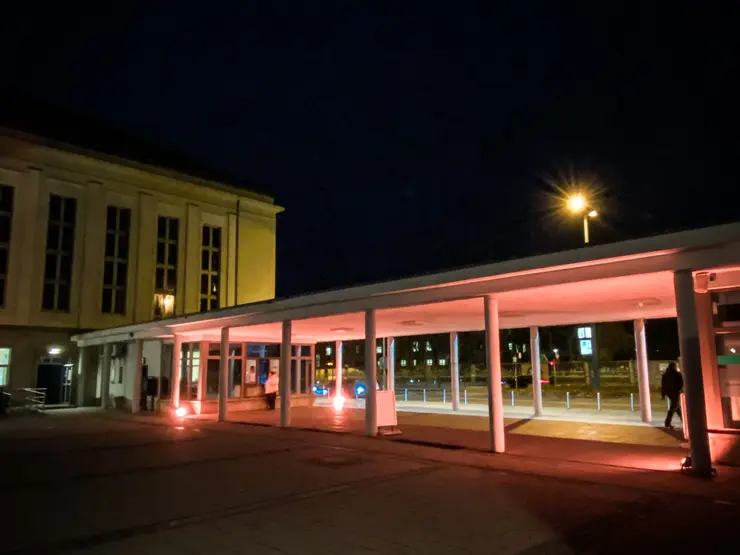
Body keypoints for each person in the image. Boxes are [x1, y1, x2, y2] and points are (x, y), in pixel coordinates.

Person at [661, 362, 684, 429]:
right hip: (676, 393)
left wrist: (663, 394)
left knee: (677, 408)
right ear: (674, 367)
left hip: (669, 393)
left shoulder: (665, 375)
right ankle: (667, 423)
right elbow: (681, 383)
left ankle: (684, 421)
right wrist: (681, 390)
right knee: (673, 408)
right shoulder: (677, 374)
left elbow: (663, 385)